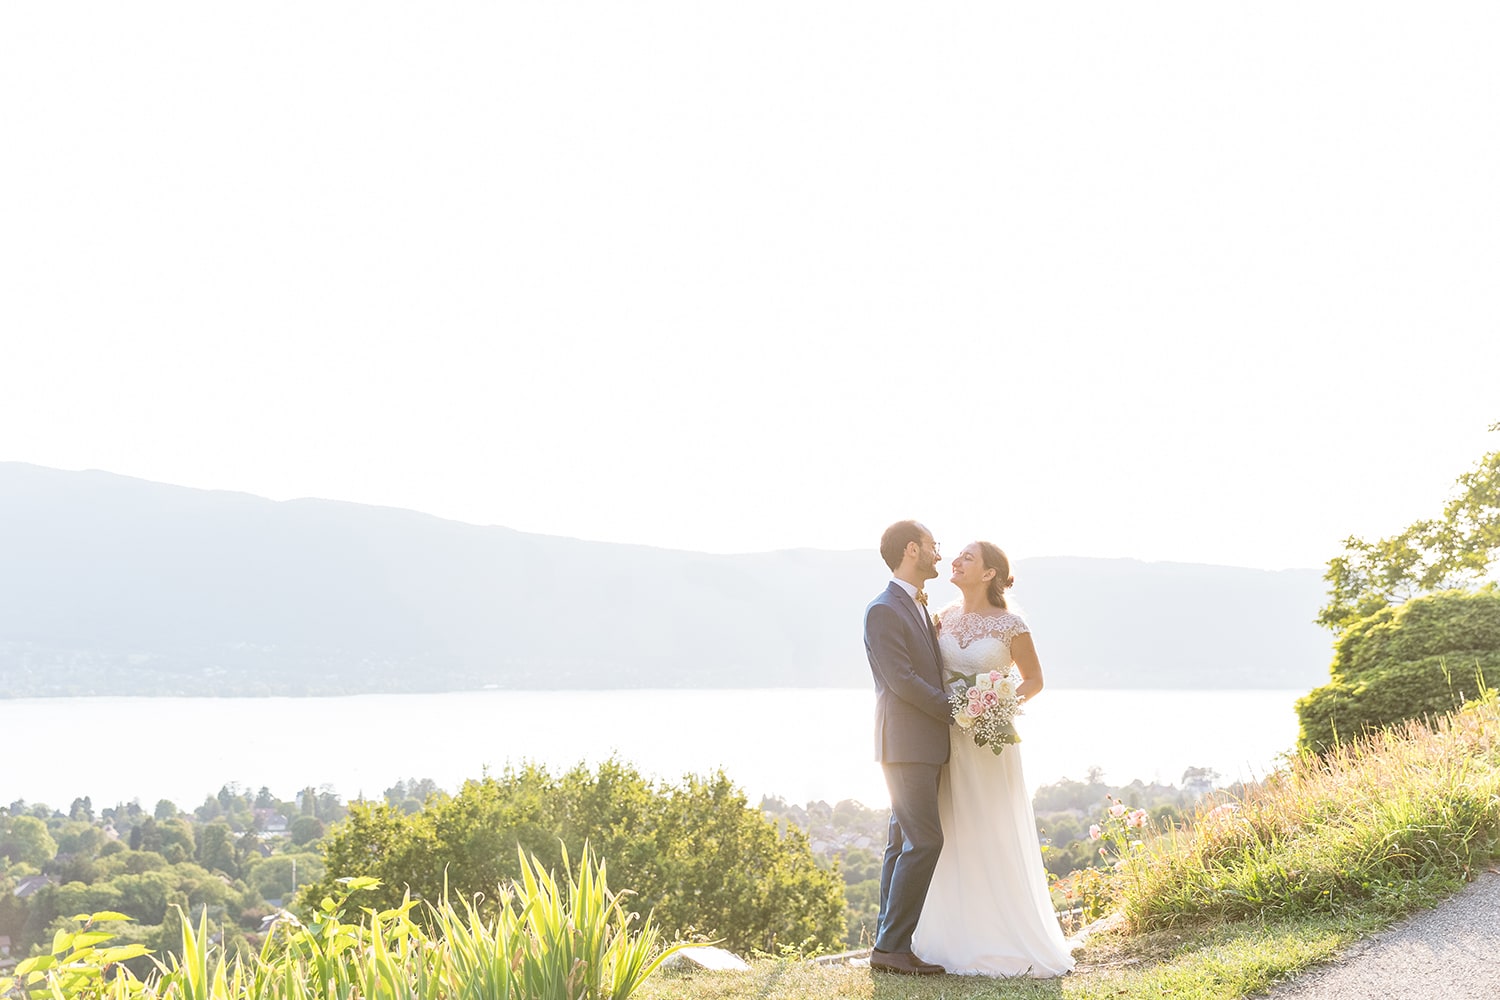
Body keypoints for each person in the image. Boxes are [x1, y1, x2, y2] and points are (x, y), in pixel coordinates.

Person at [910, 541, 1076, 977]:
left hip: (990, 742)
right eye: (957, 556)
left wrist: (995, 706)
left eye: (967, 557)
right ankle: (954, 938)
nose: (956, 561)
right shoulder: (940, 617)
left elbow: (1034, 680)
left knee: (993, 829)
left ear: (988, 573)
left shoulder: (1011, 624)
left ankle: (1004, 937)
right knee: (952, 829)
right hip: (947, 740)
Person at [862, 520, 951, 976]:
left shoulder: (914, 605)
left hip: (920, 745)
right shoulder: (884, 609)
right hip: (905, 744)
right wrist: (952, 708)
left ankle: (888, 943)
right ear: (913, 549)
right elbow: (901, 680)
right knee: (925, 841)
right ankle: (891, 947)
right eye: (935, 546)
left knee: (900, 844)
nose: (940, 553)